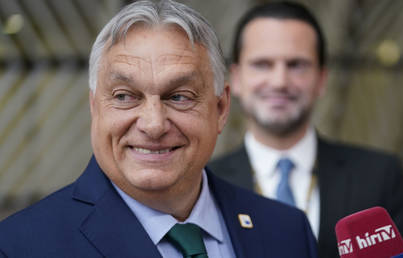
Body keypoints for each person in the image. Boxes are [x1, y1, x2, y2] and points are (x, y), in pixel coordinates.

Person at [0, 1, 318, 257]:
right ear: (94, 108)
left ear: (221, 109)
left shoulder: (287, 231)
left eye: (179, 97)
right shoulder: (21, 246)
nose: (153, 125)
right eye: (125, 97)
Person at [208, 2, 403, 257]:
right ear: (236, 79)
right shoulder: (206, 182)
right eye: (262, 64)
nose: (280, 81)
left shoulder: (379, 176)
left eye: (296, 65)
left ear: (322, 79)